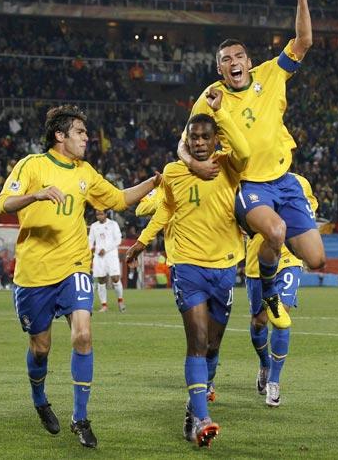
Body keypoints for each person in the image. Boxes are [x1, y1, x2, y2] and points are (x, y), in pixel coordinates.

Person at [0, 104, 161, 448]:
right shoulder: (32, 165)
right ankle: (40, 398)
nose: (87, 138)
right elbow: (5, 204)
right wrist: (36, 195)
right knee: (40, 348)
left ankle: (80, 417)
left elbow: (119, 200)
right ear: (60, 136)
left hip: (74, 266)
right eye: (80, 132)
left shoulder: (85, 172)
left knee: (83, 335)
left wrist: (152, 182)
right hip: (34, 272)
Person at [177, 0, 325, 330]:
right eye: (226, 59)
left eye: (239, 56)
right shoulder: (212, 96)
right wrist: (192, 165)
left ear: (248, 60)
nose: (234, 62)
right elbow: (183, 143)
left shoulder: (271, 74)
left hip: (284, 181)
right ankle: (271, 294)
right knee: (274, 231)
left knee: (316, 259)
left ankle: (268, 283)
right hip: (249, 186)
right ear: (219, 68)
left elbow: (304, 40)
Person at [127, 92, 250, 448]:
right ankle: (202, 419)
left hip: (225, 267)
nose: (198, 142)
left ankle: (194, 405)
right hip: (187, 267)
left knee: (213, 345)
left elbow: (245, 151)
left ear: (215, 140)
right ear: (187, 140)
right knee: (196, 341)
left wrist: (220, 112)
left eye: (204, 137)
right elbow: (165, 210)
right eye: (193, 137)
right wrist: (142, 241)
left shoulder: (229, 166)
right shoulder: (173, 173)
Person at [246, 174, 318, 407]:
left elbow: (306, 217)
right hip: (258, 263)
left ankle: (274, 382)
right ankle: (265, 363)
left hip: (288, 260)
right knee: (259, 322)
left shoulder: (299, 183)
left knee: (280, 315)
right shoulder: (248, 182)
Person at [88, 209, 125, 313]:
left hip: (111, 255)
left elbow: (118, 239)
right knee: (101, 280)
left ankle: (120, 300)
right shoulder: (94, 226)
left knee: (115, 278)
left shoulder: (113, 224)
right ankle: (104, 305)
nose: (99, 216)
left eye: (101, 214)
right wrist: (93, 249)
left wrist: (106, 249)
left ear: (105, 214)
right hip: (99, 256)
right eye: (97, 214)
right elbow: (90, 240)